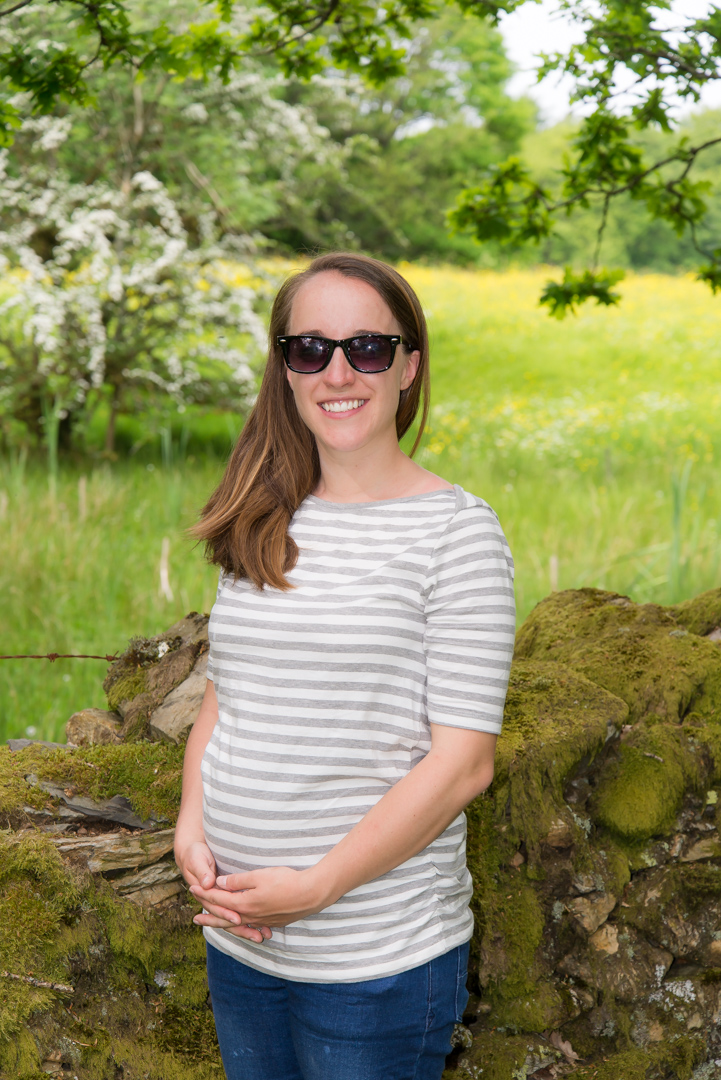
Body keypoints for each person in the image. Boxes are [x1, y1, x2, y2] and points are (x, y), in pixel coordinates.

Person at [174, 252, 516, 1080]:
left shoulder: (456, 534)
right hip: (241, 939)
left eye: (365, 348)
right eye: (309, 349)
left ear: (407, 366)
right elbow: (228, 697)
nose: (337, 371)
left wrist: (318, 886)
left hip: (375, 962)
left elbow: (463, 764)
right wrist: (192, 823)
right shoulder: (265, 515)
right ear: (284, 368)